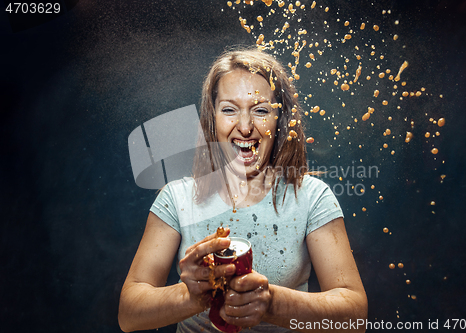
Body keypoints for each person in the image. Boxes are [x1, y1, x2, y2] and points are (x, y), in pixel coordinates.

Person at [118, 47, 367, 333]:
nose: (245, 127)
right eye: (229, 110)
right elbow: (128, 314)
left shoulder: (312, 197)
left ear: (281, 121)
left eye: (261, 110)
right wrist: (192, 295)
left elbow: (355, 316)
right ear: (212, 119)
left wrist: (272, 303)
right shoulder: (176, 198)